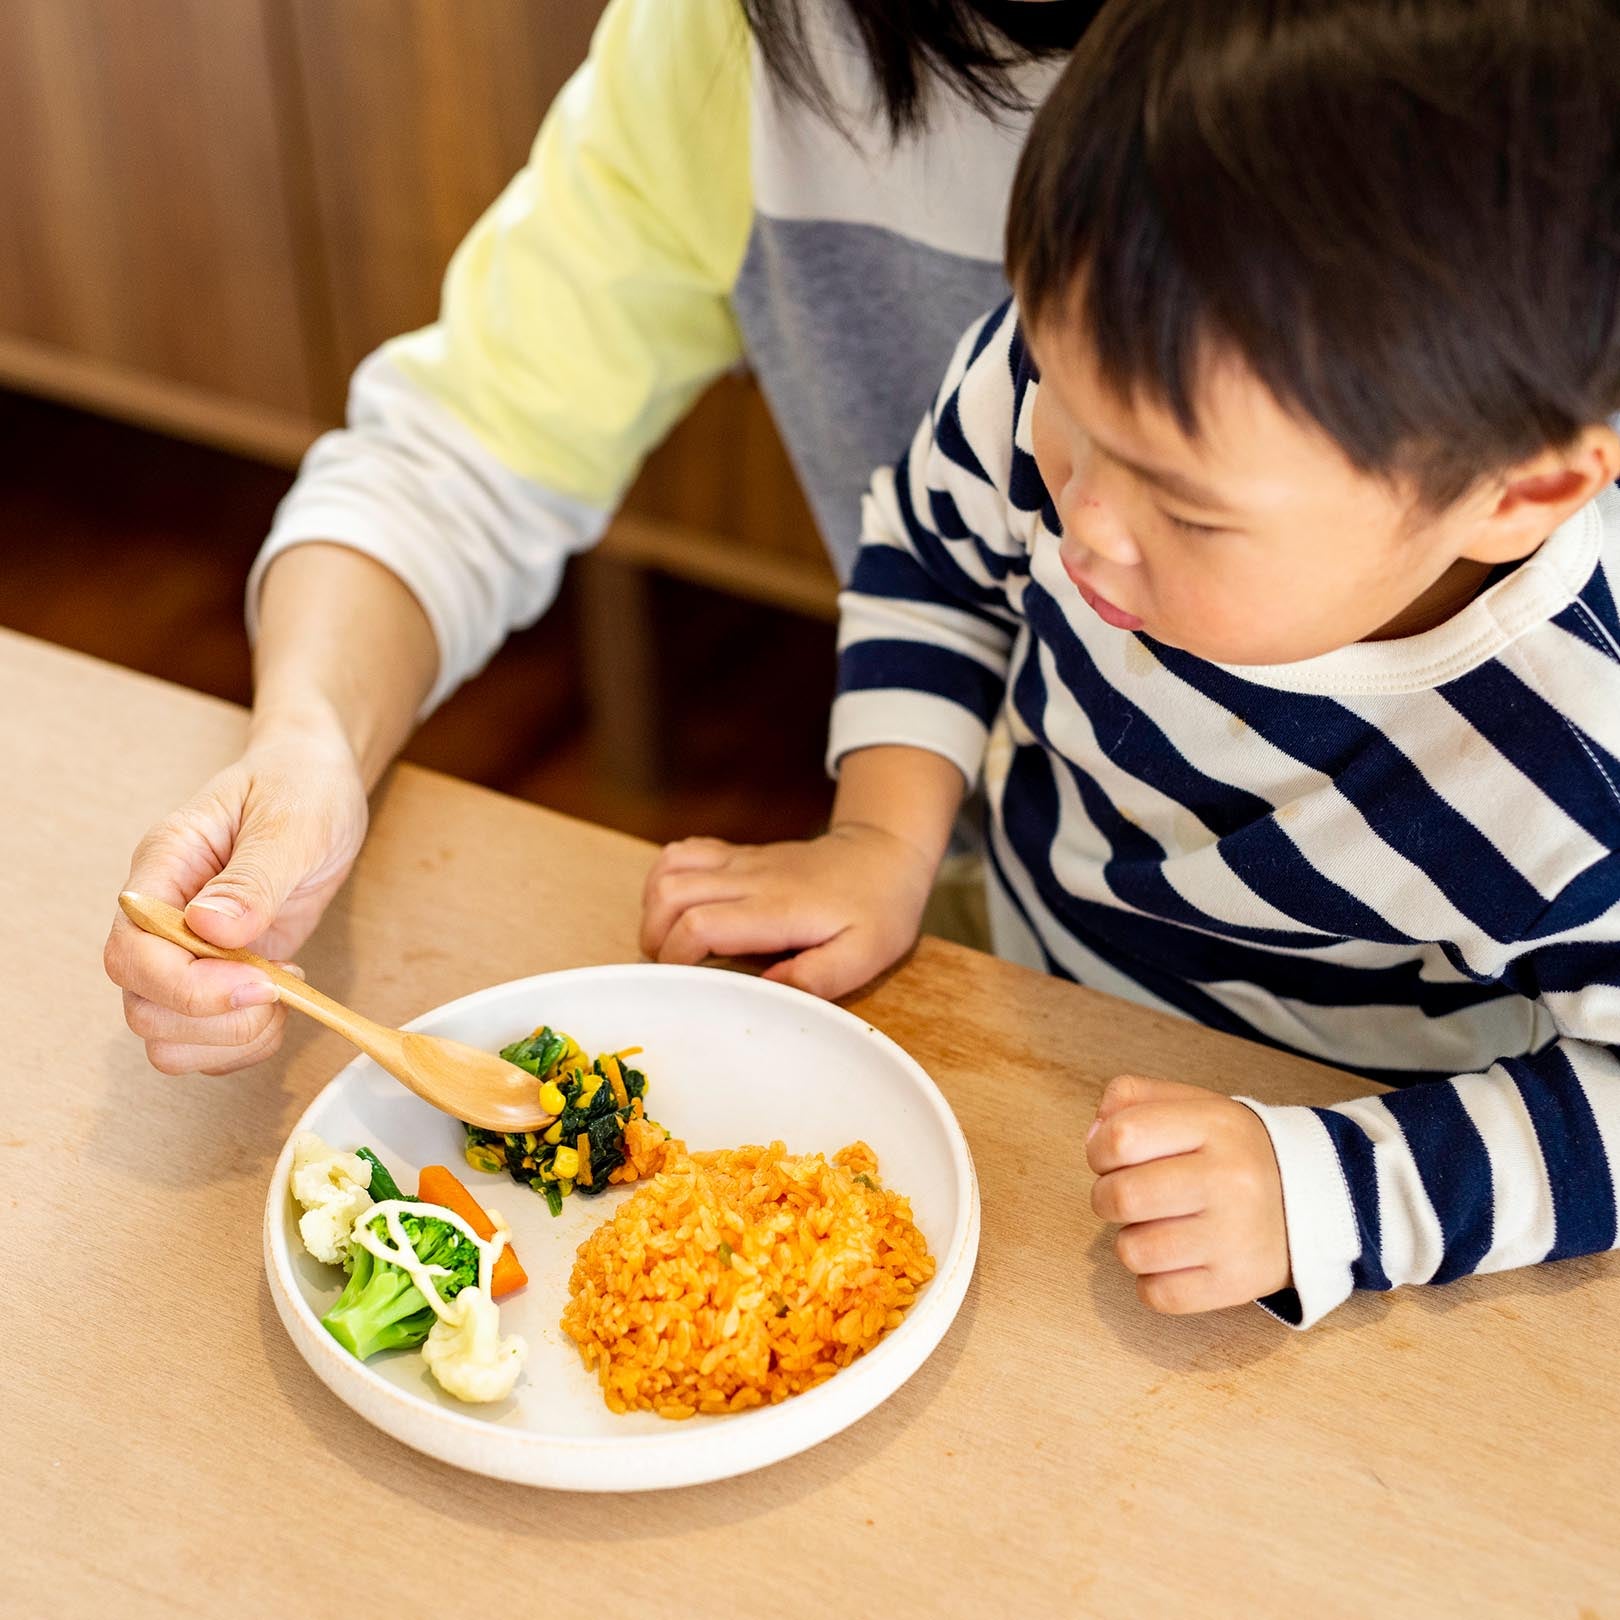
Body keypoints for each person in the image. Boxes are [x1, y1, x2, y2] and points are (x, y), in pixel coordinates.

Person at [641, 0, 1620, 1326]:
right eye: (1064, 398)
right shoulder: (1075, 375)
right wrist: (880, 841)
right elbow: (932, 555)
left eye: (1188, 510)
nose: (1084, 519)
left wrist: (1323, 1193)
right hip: (1041, 1017)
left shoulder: (1577, 752)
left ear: (1519, 494)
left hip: (1356, 1182)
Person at [103, 0, 1105, 1073]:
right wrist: (306, 740)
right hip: (990, 917)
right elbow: (458, 448)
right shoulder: (718, 40)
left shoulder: (1241, 101)